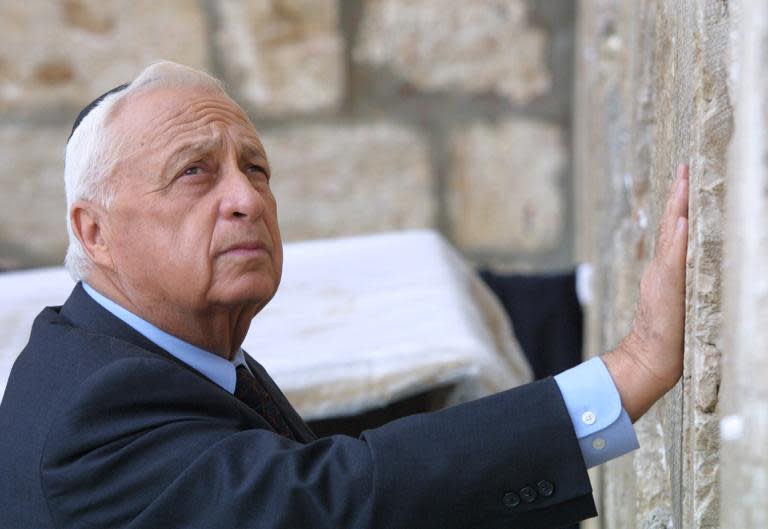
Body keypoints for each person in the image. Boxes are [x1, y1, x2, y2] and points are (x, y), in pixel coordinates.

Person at [0, 61, 689, 529]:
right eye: (194, 173)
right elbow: (330, 500)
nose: (246, 198)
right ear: (96, 232)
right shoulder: (94, 407)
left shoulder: (164, 350)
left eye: (257, 168)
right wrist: (626, 372)